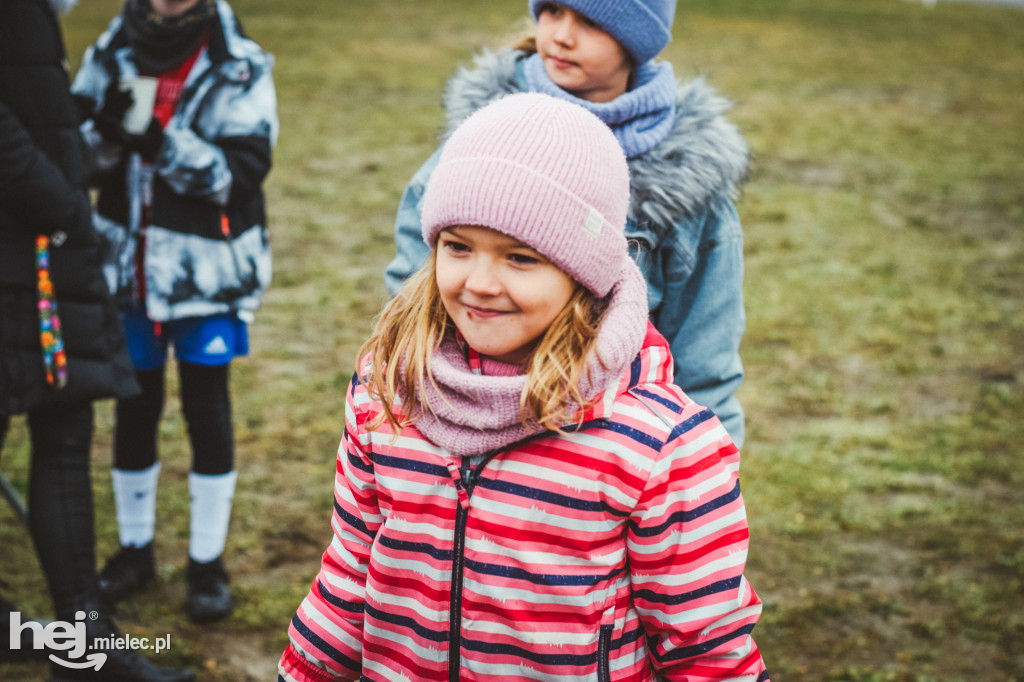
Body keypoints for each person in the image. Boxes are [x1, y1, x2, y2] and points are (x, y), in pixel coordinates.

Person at [278, 93, 768, 681]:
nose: (480, 283)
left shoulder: (660, 448)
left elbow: (706, 649)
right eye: (457, 247)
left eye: (520, 257)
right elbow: (352, 571)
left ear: (582, 272)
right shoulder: (387, 396)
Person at [386, 0, 750, 447]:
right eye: (553, 11)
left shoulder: (688, 186)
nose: (561, 35)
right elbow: (411, 301)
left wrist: (704, 467)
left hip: (600, 458)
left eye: (592, 21)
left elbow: (704, 365)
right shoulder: (479, 142)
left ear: (639, 37)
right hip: (458, 441)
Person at [0, 0, 197, 679]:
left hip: (36, 247)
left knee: (63, 426)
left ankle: (80, 642)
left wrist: (83, 147)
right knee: (57, 431)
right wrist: (61, 200)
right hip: (26, 237)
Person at [69, 0, 278, 623]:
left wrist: (161, 142)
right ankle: (134, 551)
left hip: (205, 275)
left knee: (206, 408)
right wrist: (103, 134)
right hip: (124, 270)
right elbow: (74, 156)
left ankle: (205, 562)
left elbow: (241, 173)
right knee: (134, 407)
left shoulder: (238, 63)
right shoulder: (110, 52)